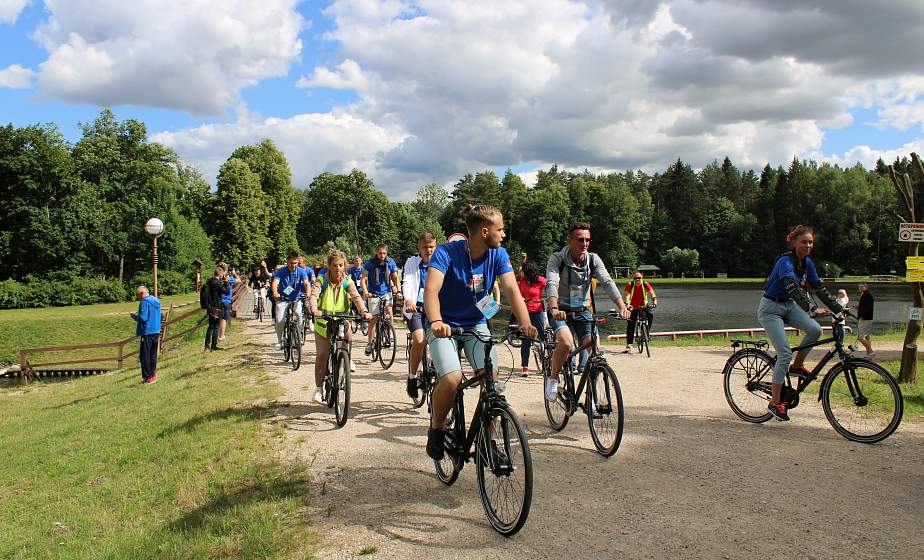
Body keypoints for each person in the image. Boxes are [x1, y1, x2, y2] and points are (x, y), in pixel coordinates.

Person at [424, 204, 537, 460]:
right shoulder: (447, 252)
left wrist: (526, 323)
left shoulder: (498, 255)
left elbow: (511, 290)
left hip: (476, 324)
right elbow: (431, 290)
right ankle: (437, 430)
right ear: (485, 232)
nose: (504, 235)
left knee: (493, 382)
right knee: (452, 379)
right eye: (501, 229)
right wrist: (436, 321)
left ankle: (490, 442)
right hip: (446, 326)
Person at [759, 225, 843, 421]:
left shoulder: (807, 263)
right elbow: (792, 287)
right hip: (771, 308)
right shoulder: (784, 262)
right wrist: (811, 308)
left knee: (815, 330)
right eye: (804, 241)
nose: (808, 245)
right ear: (794, 242)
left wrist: (839, 308)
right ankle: (775, 402)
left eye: (811, 242)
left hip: (789, 305)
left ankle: (797, 366)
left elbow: (819, 288)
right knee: (784, 352)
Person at [545, 222, 631, 402]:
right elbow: (551, 284)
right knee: (567, 343)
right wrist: (553, 308)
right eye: (580, 240)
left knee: (594, 346)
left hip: (582, 310)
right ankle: (552, 378)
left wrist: (621, 305)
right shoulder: (557, 259)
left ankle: (590, 395)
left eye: (587, 240)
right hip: (560, 310)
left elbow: (607, 282)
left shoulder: (593, 259)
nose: (584, 244)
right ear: (569, 241)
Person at [309, 250, 372, 403]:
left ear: (345, 266)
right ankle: (318, 388)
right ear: (329, 266)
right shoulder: (321, 280)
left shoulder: (347, 282)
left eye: (341, 265)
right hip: (323, 321)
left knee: (348, 337)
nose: (338, 268)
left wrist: (364, 311)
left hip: (342, 319)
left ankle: (346, 359)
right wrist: (313, 308)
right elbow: (314, 295)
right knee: (323, 353)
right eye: (335, 265)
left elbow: (356, 297)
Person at [402, 232, 438, 399]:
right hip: (416, 308)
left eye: (431, 247)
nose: (428, 250)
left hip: (436, 308)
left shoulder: (441, 261)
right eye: (425, 247)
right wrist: (409, 300)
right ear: (419, 248)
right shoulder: (412, 262)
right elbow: (408, 282)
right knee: (419, 339)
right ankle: (412, 376)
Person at [361, 243, 399, 356]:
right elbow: (363, 279)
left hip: (386, 292)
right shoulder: (371, 263)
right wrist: (366, 291)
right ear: (376, 253)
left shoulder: (390, 262)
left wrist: (398, 289)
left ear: (387, 253)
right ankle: (370, 342)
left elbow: (395, 277)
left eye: (384, 253)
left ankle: (389, 331)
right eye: (380, 253)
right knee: (374, 319)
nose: (382, 255)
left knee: (389, 310)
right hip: (373, 293)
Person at [271, 251, 313, 352]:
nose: (293, 265)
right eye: (291, 263)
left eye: (295, 263)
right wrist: (275, 293)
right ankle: (280, 341)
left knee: (299, 315)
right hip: (283, 298)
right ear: (287, 261)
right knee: (280, 320)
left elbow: (307, 284)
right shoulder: (281, 271)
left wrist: (308, 293)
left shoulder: (301, 271)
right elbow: (275, 283)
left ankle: (298, 335)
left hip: (296, 298)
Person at [514, 261, 547, 376]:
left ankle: (546, 362)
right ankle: (525, 366)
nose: (521, 272)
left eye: (523, 270)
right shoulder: (521, 282)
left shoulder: (540, 281)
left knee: (542, 337)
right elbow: (515, 294)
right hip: (525, 314)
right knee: (526, 339)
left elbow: (552, 288)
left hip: (537, 312)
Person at [130, 285, 161, 384]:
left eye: (138, 295)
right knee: (152, 354)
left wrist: (135, 317)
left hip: (147, 331)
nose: (139, 297)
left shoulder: (144, 302)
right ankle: (153, 375)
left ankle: (147, 377)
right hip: (156, 330)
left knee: (145, 356)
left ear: (142, 293)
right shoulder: (156, 301)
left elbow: (143, 318)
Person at [624, 271, 659, 353]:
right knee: (630, 325)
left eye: (639, 278)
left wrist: (654, 301)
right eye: (635, 278)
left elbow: (652, 293)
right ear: (633, 278)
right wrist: (627, 304)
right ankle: (628, 345)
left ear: (642, 278)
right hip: (632, 307)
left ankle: (646, 332)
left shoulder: (645, 284)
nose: (637, 279)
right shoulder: (630, 284)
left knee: (650, 314)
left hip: (644, 305)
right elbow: (627, 295)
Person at [204, 265, 227, 352]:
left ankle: (207, 346)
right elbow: (226, 291)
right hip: (216, 306)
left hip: (209, 306)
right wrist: (226, 282)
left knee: (211, 326)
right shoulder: (216, 283)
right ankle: (212, 346)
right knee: (215, 326)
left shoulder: (208, 282)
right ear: (220, 275)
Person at [219, 266, 239, 341]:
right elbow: (239, 280)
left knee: (219, 318)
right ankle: (222, 336)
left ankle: (219, 334)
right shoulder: (229, 279)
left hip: (219, 300)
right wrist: (234, 274)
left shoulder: (219, 278)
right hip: (226, 301)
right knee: (224, 318)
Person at [856, 282, 875, 356]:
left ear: (866, 287)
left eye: (862, 287)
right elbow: (864, 306)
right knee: (867, 336)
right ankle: (868, 353)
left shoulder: (867, 295)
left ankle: (870, 352)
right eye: (859, 287)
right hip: (867, 318)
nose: (860, 288)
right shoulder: (864, 295)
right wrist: (857, 308)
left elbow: (869, 308)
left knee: (860, 337)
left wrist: (862, 316)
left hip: (865, 319)